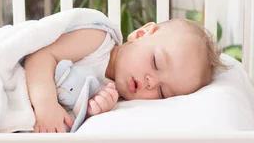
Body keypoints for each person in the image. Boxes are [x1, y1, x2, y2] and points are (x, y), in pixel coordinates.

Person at [24, 17, 226, 133]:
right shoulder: (97, 41)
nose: (151, 82)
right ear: (140, 34)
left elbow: (70, 109)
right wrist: (45, 105)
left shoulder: (114, 98)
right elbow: (40, 55)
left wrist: (90, 111)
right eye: (156, 62)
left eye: (163, 92)